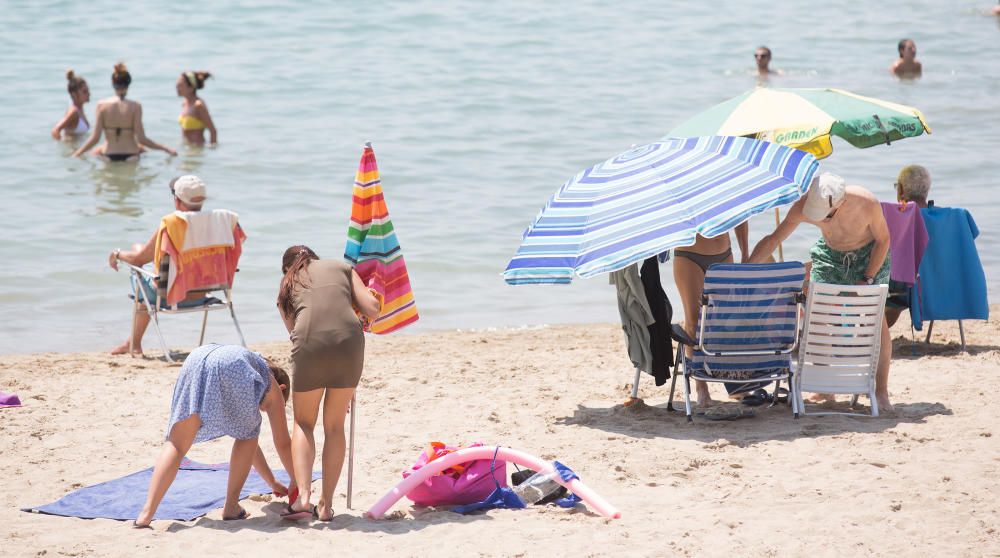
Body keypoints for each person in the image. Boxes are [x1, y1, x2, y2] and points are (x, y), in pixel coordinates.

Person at [748, 173, 893, 411]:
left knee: (877, 323)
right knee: (819, 318)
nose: (823, 221)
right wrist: (748, 269)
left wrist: (867, 278)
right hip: (831, 256)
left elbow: (884, 240)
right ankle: (825, 389)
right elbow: (774, 239)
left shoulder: (866, 202)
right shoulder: (804, 205)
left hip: (870, 256)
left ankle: (881, 391)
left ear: (841, 202)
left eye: (827, 216)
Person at [133, 344, 296, 528]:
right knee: (248, 435)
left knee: (176, 445)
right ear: (282, 388)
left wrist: (272, 481)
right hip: (233, 364)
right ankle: (231, 506)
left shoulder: (254, 366)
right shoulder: (270, 383)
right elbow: (282, 443)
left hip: (196, 359)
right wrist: (296, 481)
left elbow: (250, 443)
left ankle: (146, 513)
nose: (262, 410)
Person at [276, 246, 380, 521]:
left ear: (289, 267)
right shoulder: (343, 268)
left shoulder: (287, 282)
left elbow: (293, 330)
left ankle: (304, 498)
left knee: (304, 423)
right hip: (349, 345)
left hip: (309, 344)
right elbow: (373, 309)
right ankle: (326, 505)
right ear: (314, 259)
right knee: (334, 426)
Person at [108, 175, 215, 354]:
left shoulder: (171, 224)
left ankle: (133, 343)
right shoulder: (217, 223)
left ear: (177, 200)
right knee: (143, 261)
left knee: (139, 271)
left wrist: (117, 254)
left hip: (170, 296)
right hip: (203, 294)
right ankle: (132, 343)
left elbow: (138, 260)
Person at [673, 224, 749, 406]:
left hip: (724, 253)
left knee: (726, 320)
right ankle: (701, 387)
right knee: (694, 320)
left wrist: (745, 253)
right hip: (689, 256)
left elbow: (739, 218)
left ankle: (735, 383)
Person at [72, 62, 176, 161]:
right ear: (128, 84)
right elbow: (141, 139)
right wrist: (165, 148)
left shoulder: (101, 105)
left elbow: (95, 138)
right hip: (131, 156)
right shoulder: (136, 106)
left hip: (108, 155)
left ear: (113, 83)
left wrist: (78, 153)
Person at [885, 165, 932, 327]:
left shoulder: (895, 216)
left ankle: (870, 331)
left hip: (903, 288)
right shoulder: (950, 217)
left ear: (902, 190)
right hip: (937, 286)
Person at [176, 71, 217, 145]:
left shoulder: (198, 105)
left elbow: (213, 130)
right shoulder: (184, 103)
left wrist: (212, 149)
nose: (177, 87)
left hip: (198, 150)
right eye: (177, 85)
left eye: (180, 85)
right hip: (186, 148)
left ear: (191, 88)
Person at [51, 70, 90, 140]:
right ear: (74, 94)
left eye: (88, 90)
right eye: (85, 91)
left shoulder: (80, 109)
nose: (89, 93)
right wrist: (64, 144)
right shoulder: (73, 111)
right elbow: (55, 130)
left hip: (77, 149)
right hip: (72, 150)